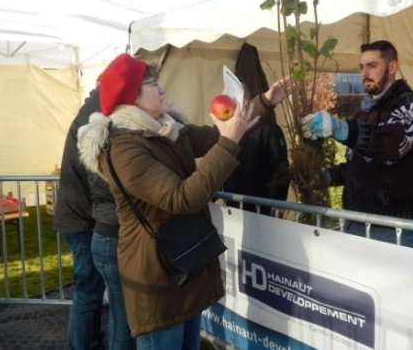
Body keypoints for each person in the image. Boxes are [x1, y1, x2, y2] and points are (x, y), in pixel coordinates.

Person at [76, 53, 288, 349]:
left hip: (183, 265)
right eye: (153, 84)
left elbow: (219, 134)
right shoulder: (123, 147)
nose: (162, 90)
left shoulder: (164, 128)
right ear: (131, 96)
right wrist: (228, 143)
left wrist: (264, 102)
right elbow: (181, 198)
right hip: (157, 278)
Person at [297, 40, 413, 247]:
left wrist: (341, 128)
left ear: (392, 67)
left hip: (394, 228)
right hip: (357, 220)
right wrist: (325, 177)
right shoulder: (365, 111)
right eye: (361, 66)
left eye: (372, 65)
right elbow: (359, 164)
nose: (364, 72)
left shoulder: (411, 105)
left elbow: (392, 144)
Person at [54, 86, 134, 349]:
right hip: (82, 221)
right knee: (89, 290)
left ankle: (89, 339)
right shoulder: (96, 119)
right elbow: (100, 179)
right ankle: (80, 344)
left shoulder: (93, 111)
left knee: (92, 289)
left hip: (81, 217)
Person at [222, 83, 290, 215]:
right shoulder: (224, 133)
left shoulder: (269, 131)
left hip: (261, 213)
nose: (223, 105)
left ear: (244, 101)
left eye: (228, 99)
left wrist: (271, 207)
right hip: (233, 210)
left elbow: (281, 172)